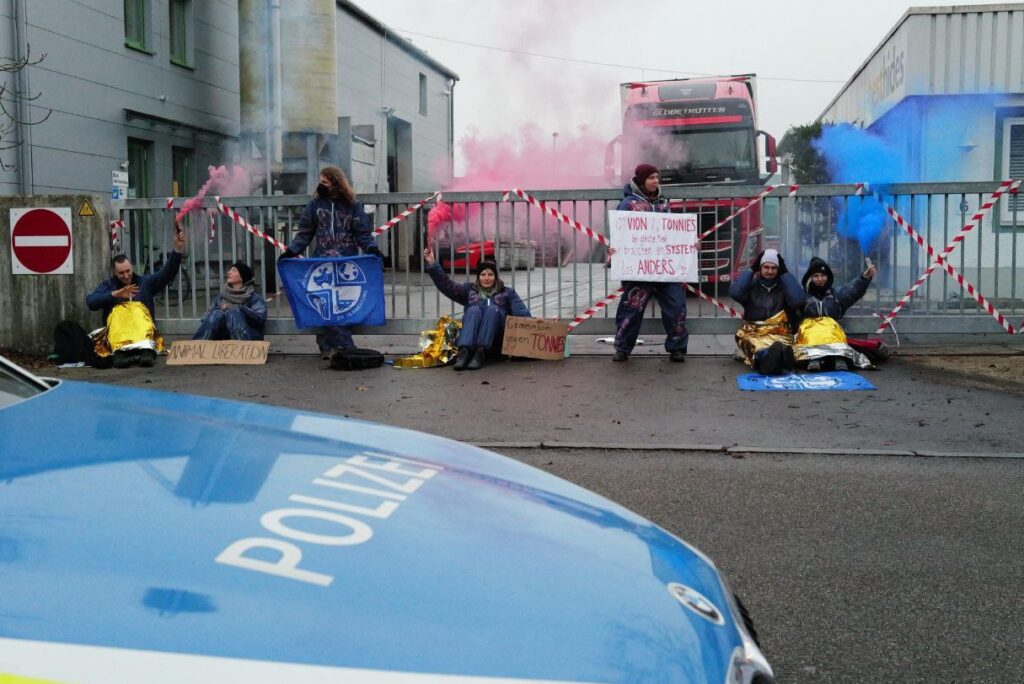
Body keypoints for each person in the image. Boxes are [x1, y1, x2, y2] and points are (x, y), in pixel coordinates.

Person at [279, 166, 382, 358]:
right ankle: (331, 347)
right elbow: (304, 234)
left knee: (340, 308)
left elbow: (362, 234)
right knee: (323, 306)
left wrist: (372, 249)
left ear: (335, 183)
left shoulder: (353, 206)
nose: (321, 185)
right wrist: (291, 252)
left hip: (345, 266)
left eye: (325, 182)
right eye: (320, 181)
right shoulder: (314, 206)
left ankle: (340, 348)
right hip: (322, 265)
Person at [610, 163, 688, 363]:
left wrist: (688, 244)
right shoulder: (628, 204)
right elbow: (620, 234)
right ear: (641, 180)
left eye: (657, 177)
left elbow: (674, 233)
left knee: (676, 305)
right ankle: (622, 348)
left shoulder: (663, 204)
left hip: (665, 268)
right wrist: (614, 250)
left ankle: (677, 348)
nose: (656, 181)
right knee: (631, 308)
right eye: (652, 177)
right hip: (638, 270)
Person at [86, 226, 187, 368]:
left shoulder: (145, 283)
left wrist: (177, 250)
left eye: (128, 271)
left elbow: (166, 274)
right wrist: (115, 294)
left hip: (143, 336)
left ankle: (145, 351)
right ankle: (121, 354)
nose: (126, 276)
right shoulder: (108, 286)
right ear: (115, 273)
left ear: (132, 268)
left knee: (145, 354)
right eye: (121, 273)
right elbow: (91, 302)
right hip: (118, 338)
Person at [421, 247, 530, 370]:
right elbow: (447, 286)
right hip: (469, 341)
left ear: (496, 276)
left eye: (490, 274)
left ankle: (480, 353)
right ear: (478, 277)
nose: (486, 278)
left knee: (492, 310)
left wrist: (546, 325)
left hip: (495, 343)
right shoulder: (469, 290)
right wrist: (432, 263)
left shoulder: (508, 293)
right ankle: (465, 353)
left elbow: (524, 317)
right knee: (473, 310)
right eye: (483, 274)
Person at [728, 248, 805, 374]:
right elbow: (734, 292)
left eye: (774, 268)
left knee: (783, 346)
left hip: (780, 333)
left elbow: (797, 300)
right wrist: (752, 269)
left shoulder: (783, 288)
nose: (770, 271)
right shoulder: (751, 287)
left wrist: (785, 273)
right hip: (755, 333)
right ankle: (770, 360)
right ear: (760, 268)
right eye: (766, 267)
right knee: (756, 345)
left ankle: (774, 361)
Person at [795, 257, 877, 371]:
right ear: (810, 278)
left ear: (828, 277)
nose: (820, 279)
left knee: (831, 327)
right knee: (810, 330)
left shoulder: (836, 295)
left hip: (833, 334)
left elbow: (852, 290)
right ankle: (814, 358)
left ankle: (839, 358)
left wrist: (864, 277)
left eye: (823, 275)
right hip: (811, 335)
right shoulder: (802, 297)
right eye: (816, 276)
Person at [192, 261, 267, 341]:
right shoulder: (222, 297)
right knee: (217, 313)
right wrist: (221, 313)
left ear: (242, 277)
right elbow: (205, 318)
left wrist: (237, 309)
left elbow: (260, 318)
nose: (228, 272)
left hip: (249, 337)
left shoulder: (254, 298)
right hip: (224, 341)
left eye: (234, 270)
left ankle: (242, 350)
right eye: (230, 270)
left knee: (232, 313)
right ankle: (197, 348)